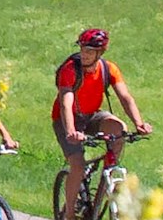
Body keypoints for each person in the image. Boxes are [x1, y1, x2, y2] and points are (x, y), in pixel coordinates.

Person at [51, 25, 152, 173]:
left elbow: (125, 97)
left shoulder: (109, 69)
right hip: (65, 118)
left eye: (89, 52)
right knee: (78, 167)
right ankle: (71, 196)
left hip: (92, 115)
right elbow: (66, 103)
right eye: (82, 50)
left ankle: (106, 185)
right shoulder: (70, 69)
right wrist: (71, 131)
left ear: (100, 53)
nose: (84, 54)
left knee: (119, 129)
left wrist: (139, 124)